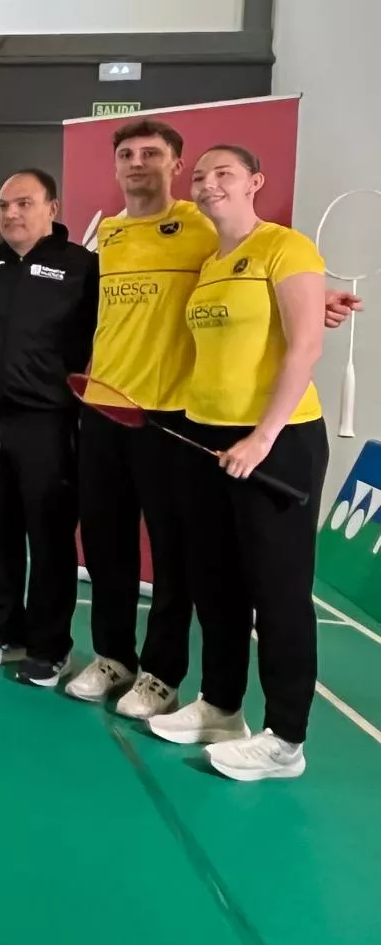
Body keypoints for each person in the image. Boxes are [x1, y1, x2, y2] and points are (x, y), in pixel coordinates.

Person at [67, 119, 359, 717]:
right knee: (105, 544)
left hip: (171, 416)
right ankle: (113, 655)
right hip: (104, 408)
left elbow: (258, 274)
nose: (138, 163)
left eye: (152, 153)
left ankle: (161, 674)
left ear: (176, 167)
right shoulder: (109, 235)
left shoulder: (204, 224)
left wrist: (313, 300)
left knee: (175, 557)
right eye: (127, 154)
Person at [147, 145, 328, 781]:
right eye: (200, 176)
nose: (208, 184)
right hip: (207, 439)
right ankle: (222, 707)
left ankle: (286, 740)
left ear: (256, 181)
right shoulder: (210, 264)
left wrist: (262, 437)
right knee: (216, 584)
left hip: (278, 441)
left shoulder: (286, 247)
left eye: (224, 173)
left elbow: (306, 345)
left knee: (278, 591)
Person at [0, 168, 98, 686]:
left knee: (49, 540)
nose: (11, 213)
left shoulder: (82, 267)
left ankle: (49, 645)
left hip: (49, 422)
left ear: (52, 209)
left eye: (23, 203)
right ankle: (3, 630)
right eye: (3, 205)